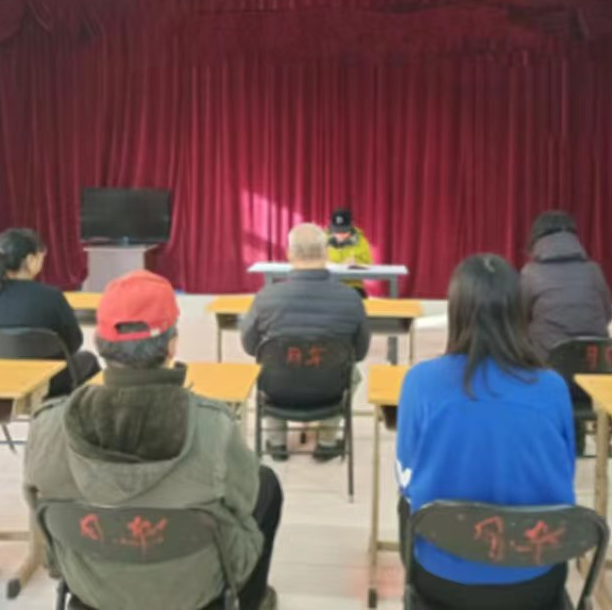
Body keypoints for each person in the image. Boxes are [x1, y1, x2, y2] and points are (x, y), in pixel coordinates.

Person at [25, 270, 282, 610]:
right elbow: (243, 502)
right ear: (172, 345)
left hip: (92, 592)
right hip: (194, 594)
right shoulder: (213, 426)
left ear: (99, 345)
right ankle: (250, 601)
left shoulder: (47, 427)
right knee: (266, 484)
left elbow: (41, 518)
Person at [397, 254, 575, 610]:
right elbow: (564, 472)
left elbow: (405, 478)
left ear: (456, 311)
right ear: (518, 312)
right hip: (535, 579)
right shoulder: (553, 387)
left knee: (408, 505)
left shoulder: (420, 382)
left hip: (443, 579)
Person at [241, 223, 370, 461]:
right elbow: (360, 352)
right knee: (351, 371)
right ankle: (327, 442)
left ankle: (277, 443)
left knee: (268, 363)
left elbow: (250, 347)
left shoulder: (266, 297)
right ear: (326, 253)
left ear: (289, 254)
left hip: (278, 392)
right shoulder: (351, 298)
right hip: (329, 392)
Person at [0, 228, 100, 397]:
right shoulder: (50, 295)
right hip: (48, 380)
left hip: (1, 376)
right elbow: (74, 341)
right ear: (30, 260)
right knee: (88, 359)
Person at [520, 210, 612, 360]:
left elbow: (520, 320)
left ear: (536, 238)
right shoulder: (593, 270)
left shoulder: (530, 273)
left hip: (550, 363)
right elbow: (608, 314)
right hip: (595, 363)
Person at [326, 208, 373, 296]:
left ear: (351, 226)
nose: (340, 234)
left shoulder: (360, 241)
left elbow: (368, 264)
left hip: (353, 285)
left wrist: (355, 263)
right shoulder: (322, 239)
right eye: (337, 231)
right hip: (329, 284)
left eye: (344, 231)